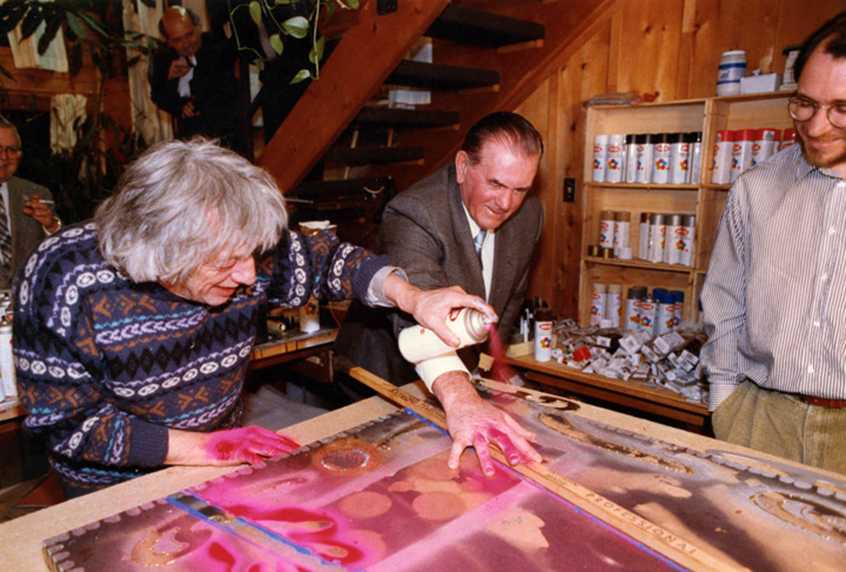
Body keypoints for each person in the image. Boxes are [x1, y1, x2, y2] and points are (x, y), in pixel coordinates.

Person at [13, 137, 497, 498]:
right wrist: (207, 448)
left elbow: (331, 261)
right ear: (160, 253)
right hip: (108, 488)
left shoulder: (243, 245)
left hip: (221, 458)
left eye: (253, 255)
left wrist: (412, 298)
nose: (250, 276)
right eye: (226, 262)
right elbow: (68, 426)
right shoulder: (61, 279)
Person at [336, 111, 546, 476]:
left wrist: (491, 367)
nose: (506, 203)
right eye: (495, 184)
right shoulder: (413, 211)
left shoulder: (530, 215)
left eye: (520, 189)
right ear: (463, 166)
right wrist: (462, 397)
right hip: (383, 376)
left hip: (456, 377)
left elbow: (508, 299)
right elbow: (426, 313)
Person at [701, 11, 846, 475]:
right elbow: (724, 302)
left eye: (843, 109)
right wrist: (725, 407)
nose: (817, 126)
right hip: (761, 421)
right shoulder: (756, 188)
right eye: (804, 103)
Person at [151, 6, 247, 156]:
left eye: (189, 35)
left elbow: (221, 59)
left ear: (198, 27)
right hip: (189, 137)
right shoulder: (163, 60)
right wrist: (180, 106)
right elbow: (157, 96)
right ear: (168, 41)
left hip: (225, 134)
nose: (186, 43)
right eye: (177, 40)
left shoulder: (215, 43)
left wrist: (192, 61)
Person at [0, 116, 59, 289]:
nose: (4, 157)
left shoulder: (36, 193)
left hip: (26, 302)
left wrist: (51, 226)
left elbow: (61, 251)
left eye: (12, 149)